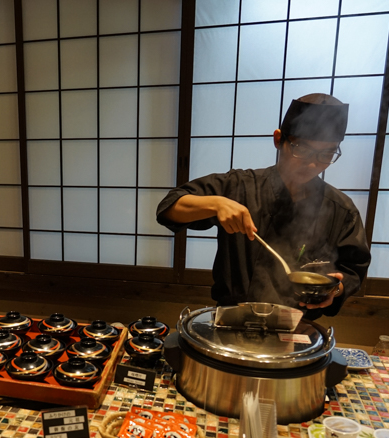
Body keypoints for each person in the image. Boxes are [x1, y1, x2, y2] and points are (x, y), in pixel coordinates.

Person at [157, 93, 371, 319]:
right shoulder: (238, 186)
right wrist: (215, 204)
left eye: (326, 154)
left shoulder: (341, 209)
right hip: (232, 322)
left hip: (298, 330)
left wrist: (336, 290)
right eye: (302, 149)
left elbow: (353, 269)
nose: (312, 163)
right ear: (279, 139)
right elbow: (169, 207)